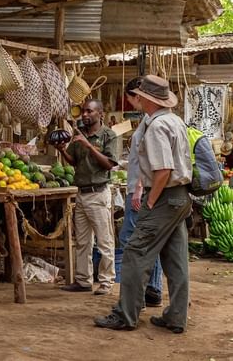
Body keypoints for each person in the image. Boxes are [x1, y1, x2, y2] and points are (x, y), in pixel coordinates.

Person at [93, 74, 192, 333]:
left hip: (164, 196)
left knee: (135, 254)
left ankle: (126, 314)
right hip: (180, 197)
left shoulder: (158, 126)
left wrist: (149, 200)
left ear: (145, 99)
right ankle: (176, 316)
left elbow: (163, 170)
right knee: (176, 259)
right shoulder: (175, 120)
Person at [55, 99, 118, 295]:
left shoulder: (108, 135)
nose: (84, 115)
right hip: (81, 194)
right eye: (83, 111)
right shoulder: (79, 136)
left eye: (89, 111)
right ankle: (83, 280)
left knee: (104, 240)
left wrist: (88, 145)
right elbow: (74, 162)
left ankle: (107, 281)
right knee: (82, 241)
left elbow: (109, 164)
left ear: (100, 114)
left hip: (99, 194)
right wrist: (62, 150)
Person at [118, 77, 163, 308]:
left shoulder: (152, 122)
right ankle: (152, 288)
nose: (131, 103)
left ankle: (151, 288)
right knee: (143, 239)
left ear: (138, 96)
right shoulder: (149, 120)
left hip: (141, 189)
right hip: (141, 187)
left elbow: (151, 160)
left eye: (130, 99)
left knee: (133, 239)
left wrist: (139, 190)